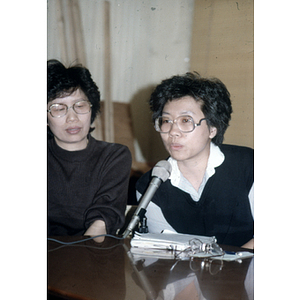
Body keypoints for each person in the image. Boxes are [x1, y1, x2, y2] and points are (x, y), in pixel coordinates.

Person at [136, 72, 254, 248]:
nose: (173, 131)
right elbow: (168, 253)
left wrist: (231, 268)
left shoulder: (248, 165)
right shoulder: (150, 186)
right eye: (166, 120)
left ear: (213, 128)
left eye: (185, 120)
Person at [47, 59, 132, 241]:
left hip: (92, 255)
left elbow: (102, 220)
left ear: (91, 108)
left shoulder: (114, 156)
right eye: (58, 108)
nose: (72, 118)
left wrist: (81, 263)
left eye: (80, 106)